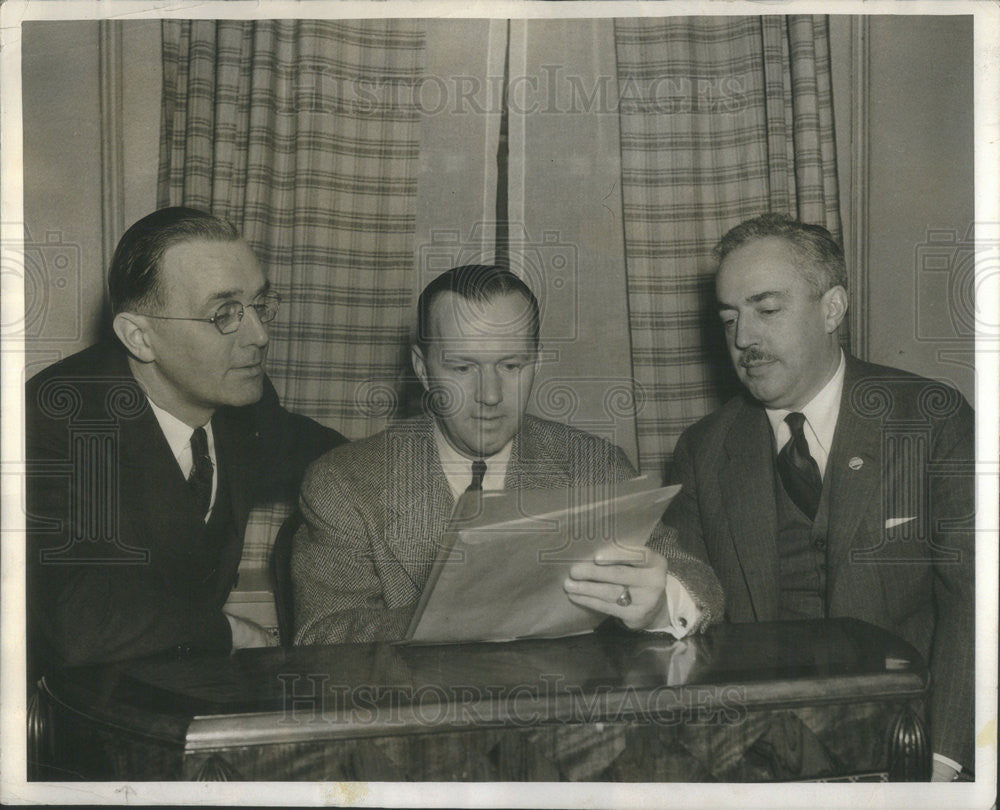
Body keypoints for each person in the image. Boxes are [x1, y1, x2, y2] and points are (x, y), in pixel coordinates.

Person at [664, 213, 974, 780]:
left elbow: (974, 604)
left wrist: (944, 762)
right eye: (729, 317)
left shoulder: (928, 420)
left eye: (767, 309)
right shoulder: (704, 450)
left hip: (911, 744)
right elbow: (683, 587)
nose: (743, 339)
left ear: (832, 309)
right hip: (759, 761)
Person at [293, 264, 724, 646]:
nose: (491, 396)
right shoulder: (344, 483)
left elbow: (698, 581)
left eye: (512, 366)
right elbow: (323, 633)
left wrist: (659, 603)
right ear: (422, 369)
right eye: (462, 368)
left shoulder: (595, 465)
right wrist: (458, 621)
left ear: (535, 362)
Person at [25, 207, 346, 679]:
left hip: (185, 695)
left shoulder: (243, 401)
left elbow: (341, 460)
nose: (258, 336)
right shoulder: (52, 420)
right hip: (59, 716)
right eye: (225, 314)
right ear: (140, 337)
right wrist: (231, 633)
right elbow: (79, 623)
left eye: (260, 304)